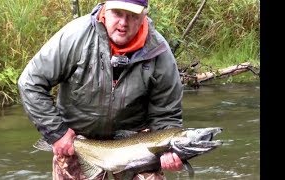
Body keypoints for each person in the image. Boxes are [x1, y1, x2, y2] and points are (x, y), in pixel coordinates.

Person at [18, 0, 184, 179]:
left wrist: (170, 150)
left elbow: (166, 115)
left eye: (132, 16)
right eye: (118, 13)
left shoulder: (159, 51)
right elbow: (30, 83)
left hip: (136, 145)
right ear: (105, 9)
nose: (123, 23)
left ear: (145, 15)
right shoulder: (75, 36)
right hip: (76, 140)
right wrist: (56, 132)